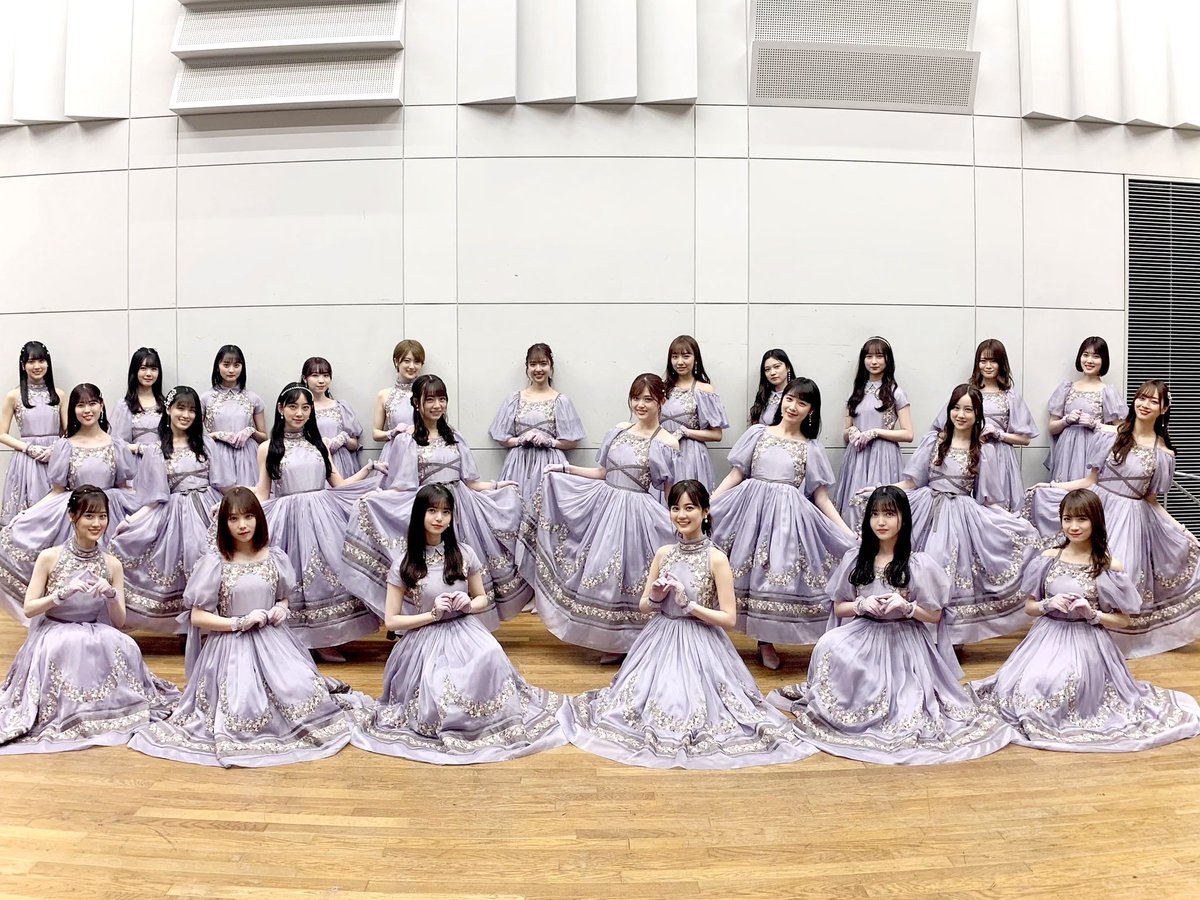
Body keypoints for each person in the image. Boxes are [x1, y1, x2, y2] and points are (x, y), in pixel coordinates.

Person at [565, 481, 814, 769]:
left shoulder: (717, 559)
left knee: (692, 705)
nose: (681, 515)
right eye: (675, 508)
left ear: (705, 512)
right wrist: (655, 598)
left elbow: (729, 619)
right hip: (659, 638)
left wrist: (690, 606)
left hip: (701, 643)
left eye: (689, 508)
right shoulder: (664, 553)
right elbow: (644, 606)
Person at [767, 487, 1014, 765]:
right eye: (875, 515)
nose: (881, 522)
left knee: (906, 704)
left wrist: (908, 608)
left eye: (889, 514)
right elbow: (838, 607)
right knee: (828, 644)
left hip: (904, 640)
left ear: (903, 519)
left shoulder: (917, 563)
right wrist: (861, 605)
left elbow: (934, 616)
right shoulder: (856, 559)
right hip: (864, 632)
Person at [128, 488, 371, 767]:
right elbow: (197, 616)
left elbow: (282, 596)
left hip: (275, 642)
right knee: (242, 705)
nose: (242, 525)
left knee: (303, 693)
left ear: (258, 518)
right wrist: (238, 622)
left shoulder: (274, 556)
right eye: (233, 519)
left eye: (248, 517)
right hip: (231, 648)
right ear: (224, 524)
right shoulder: (215, 562)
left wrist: (282, 607)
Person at [350, 484, 568, 764]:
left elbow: (482, 598)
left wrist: (469, 604)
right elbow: (391, 620)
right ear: (419, 514)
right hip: (425, 640)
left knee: (490, 655)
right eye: (432, 511)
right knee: (439, 689)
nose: (439, 518)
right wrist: (432, 615)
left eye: (446, 512)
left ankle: (486, 718)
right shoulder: (404, 563)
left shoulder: (464, 553)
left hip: (466, 632)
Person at [972, 490, 1200, 752]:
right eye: (1067, 519)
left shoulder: (1108, 566)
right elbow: (1029, 607)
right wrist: (1048, 604)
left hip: (1088, 643)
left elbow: (1124, 620)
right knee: (1025, 688)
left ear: (1095, 521)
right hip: (1045, 639)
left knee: (1064, 687)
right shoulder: (1048, 558)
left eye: (1082, 519)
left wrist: (1093, 614)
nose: (1073, 527)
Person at [1026, 379, 1200, 657]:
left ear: (1164, 408)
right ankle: (1076, 638)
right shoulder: (1110, 435)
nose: (1145, 404)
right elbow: (1089, 481)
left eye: (1153, 401)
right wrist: (1052, 486)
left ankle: (1109, 646)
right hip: (1097, 510)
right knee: (1084, 571)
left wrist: (1181, 529)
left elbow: (1151, 500)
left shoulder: (1164, 454)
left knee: (1120, 572)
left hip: (1132, 520)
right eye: (1141, 398)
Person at [0, 487, 179, 754]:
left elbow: (118, 621)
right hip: (55, 629)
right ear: (72, 516)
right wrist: (59, 595)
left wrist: (111, 595)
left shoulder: (112, 563)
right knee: (66, 647)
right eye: (89, 516)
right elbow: (29, 609)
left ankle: (108, 711)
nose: (97, 524)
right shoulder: (49, 557)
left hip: (95, 628)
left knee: (125, 645)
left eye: (102, 516)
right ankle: (72, 714)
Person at [343, 374, 529, 625]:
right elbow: (402, 487)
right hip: (429, 508)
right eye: (430, 399)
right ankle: (427, 622)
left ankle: (468, 628)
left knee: (464, 567)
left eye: (442, 399)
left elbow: (470, 482)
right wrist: (375, 498)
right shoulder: (406, 440)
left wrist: (498, 486)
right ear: (416, 403)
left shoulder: (455, 436)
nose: (437, 405)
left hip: (461, 509)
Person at [518, 373, 679, 662]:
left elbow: (670, 492)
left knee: (628, 575)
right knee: (599, 571)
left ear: (662, 402)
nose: (640, 405)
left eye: (648, 399)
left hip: (636, 515)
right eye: (635, 398)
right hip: (604, 506)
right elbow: (602, 473)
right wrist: (565, 470)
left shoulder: (667, 442)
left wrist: (677, 524)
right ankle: (609, 639)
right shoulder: (618, 431)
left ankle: (626, 642)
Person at [710, 377, 856, 670]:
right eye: (789, 399)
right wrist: (708, 505)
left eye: (802, 402)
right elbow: (736, 475)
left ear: (811, 410)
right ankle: (716, 640)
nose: (793, 406)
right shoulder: (758, 434)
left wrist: (847, 533)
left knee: (774, 576)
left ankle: (766, 641)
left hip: (787, 521)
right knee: (739, 574)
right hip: (749, 513)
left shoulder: (811, 448)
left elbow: (821, 497)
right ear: (781, 400)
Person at [887, 384, 1039, 645]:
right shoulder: (933, 441)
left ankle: (947, 636)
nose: (960, 414)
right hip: (924, 510)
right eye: (956, 408)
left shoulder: (984, 450)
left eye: (968, 409)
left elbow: (988, 499)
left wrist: (1012, 520)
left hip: (959, 517)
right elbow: (912, 483)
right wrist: (883, 490)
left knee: (948, 570)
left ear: (977, 414)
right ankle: (915, 631)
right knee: (918, 567)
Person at [253, 383, 380, 660]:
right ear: (281, 409)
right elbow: (262, 491)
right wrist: (232, 502)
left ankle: (326, 638)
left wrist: (369, 470)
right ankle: (298, 641)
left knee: (328, 574)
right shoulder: (267, 448)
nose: (299, 413)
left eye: (305, 407)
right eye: (293, 406)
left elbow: (339, 484)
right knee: (293, 577)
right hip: (287, 519)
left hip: (323, 516)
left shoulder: (319, 443)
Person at [0, 384, 137, 624]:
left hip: (108, 512)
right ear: (73, 409)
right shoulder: (65, 446)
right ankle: (66, 621)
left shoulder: (117, 445)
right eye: (80, 405)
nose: (87, 410)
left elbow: (124, 487)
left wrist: (144, 515)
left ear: (102, 405)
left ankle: (106, 625)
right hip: (73, 515)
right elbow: (56, 491)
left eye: (92, 403)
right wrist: (28, 513)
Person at [111, 387, 231, 633]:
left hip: (210, 511)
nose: (186, 415)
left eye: (192, 410)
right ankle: (192, 628)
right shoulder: (156, 451)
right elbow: (154, 499)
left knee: (213, 562)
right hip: (176, 517)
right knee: (185, 563)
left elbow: (225, 486)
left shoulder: (206, 444)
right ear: (168, 409)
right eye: (181, 408)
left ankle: (214, 625)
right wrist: (130, 522)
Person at [931, 339, 1038, 513]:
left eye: (993, 361)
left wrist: (999, 434)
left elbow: (1025, 439)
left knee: (998, 509)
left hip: (1001, 458)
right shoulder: (968, 394)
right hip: (970, 457)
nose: (988, 366)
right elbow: (943, 430)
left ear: (1001, 364)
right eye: (983, 361)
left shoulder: (1010, 396)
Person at [488, 343, 585, 504]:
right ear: (527, 367)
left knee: (548, 508)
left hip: (550, 466)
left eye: (543, 364)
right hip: (518, 464)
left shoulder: (561, 401)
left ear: (551, 366)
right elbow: (502, 438)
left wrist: (550, 442)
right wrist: (519, 440)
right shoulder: (514, 399)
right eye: (533, 364)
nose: (538, 369)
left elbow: (572, 442)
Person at [834, 336, 913, 530]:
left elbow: (908, 434)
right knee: (854, 506)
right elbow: (845, 432)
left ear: (888, 360)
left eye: (879, 356)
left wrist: (876, 432)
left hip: (884, 456)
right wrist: (852, 431)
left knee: (882, 505)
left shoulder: (896, 392)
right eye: (869, 356)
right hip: (857, 457)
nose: (874, 361)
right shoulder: (856, 392)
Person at [1044, 336, 1127, 482]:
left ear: (1103, 360)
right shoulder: (1066, 388)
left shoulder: (1108, 392)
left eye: (1096, 356)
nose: (1089, 360)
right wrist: (1065, 421)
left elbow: (1122, 430)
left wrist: (1095, 424)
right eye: (1085, 355)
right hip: (1066, 452)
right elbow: (1052, 428)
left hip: (1094, 450)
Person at [0, 341, 65, 525]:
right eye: (31, 362)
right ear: (23, 365)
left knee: (54, 512)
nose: (37, 366)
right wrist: (28, 448)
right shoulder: (13, 396)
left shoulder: (59, 394)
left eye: (41, 361)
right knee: (27, 515)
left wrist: (55, 448)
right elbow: (2, 434)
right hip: (26, 460)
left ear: (48, 364)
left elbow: (69, 431)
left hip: (54, 458)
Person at [658, 335, 729, 490]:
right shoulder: (662, 388)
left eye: (686, 356)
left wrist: (685, 432)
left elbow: (717, 434)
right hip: (663, 453)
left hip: (691, 456)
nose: (680, 362)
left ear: (695, 358)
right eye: (675, 357)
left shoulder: (704, 390)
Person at [200, 345, 267, 488]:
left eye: (236, 365)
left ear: (242, 367)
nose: (231, 370)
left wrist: (251, 431)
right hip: (217, 455)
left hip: (248, 456)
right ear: (217, 366)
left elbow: (264, 438)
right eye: (226, 365)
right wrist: (217, 435)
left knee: (248, 496)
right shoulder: (205, 399)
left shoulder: (253, 398)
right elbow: (194, 438)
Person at [302, 356, 364, 479]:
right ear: (305, 378)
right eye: (315, 375)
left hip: (341, 465)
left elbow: (354, 444)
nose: (321, 380)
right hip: (313, 463)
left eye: (326, 375)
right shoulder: (300, 409)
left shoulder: (341, 406)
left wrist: (343, 439)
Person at [110, 347, 166, 476]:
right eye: (143, 368)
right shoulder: (124, 406)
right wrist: (139, 448)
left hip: (163, 465)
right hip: (136, 467)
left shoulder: (166, 404)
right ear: (135, 371)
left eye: (153, 369)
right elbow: (116, 443)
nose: (149, 374)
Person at [372, 338, 424, 443]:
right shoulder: (384, 395)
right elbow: (375, 433)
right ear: (396, 362)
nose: (412, 366)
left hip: (423, 448)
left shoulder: (428, 393)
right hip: (395, 449)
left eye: (417, 362)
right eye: (407, 361)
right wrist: (392, 433)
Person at [747, 349, 795, 427]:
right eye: (767, 369)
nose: (772, 373)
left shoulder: (797, 395)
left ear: (787, 367)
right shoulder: (764, 395)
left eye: (777, 367)